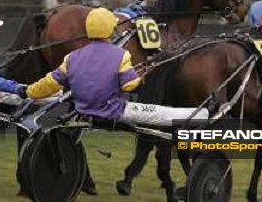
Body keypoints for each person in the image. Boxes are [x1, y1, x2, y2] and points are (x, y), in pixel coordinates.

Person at [25, 7, 208, 126]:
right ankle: (208, 113)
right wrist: (143, 74)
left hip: (82, 109)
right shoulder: (121, 55)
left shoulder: (71, 58)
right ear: (112, 30)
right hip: (115, 111)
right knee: (165, 115)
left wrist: (28, 92)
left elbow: (48, 83)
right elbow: (129, 86)